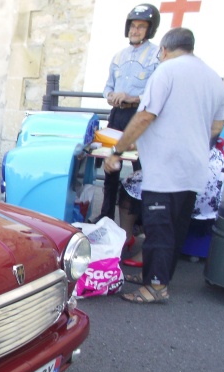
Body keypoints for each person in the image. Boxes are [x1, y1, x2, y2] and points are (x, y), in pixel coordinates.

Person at [103, 27, 224, 304]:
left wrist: (118, 150)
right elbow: (216, 126)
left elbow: (145, 115)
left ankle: (155, 288)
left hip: (166, 168)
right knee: (176, 227)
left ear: (164, 50)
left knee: (159, 227)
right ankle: (157, 277)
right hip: (195, 167)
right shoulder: (214, 79)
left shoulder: (166, 72)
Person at [97, 3, 160, 222]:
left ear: (149, 30)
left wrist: (133, 98)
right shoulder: (118, 56)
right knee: (110, 166)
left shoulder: (156, 56)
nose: (135, 30)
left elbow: (156, 91)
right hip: (117, 115)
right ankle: (106, 214)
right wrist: (111, 95)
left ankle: (139, 221)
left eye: (141, 27)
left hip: (139, 116)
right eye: (133, 26)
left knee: (140, 169)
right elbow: (107, 86)